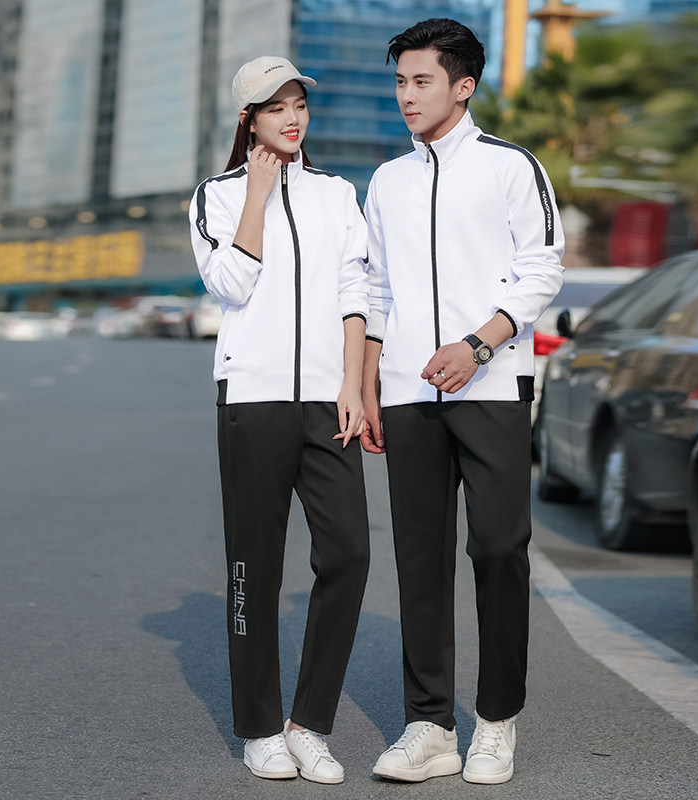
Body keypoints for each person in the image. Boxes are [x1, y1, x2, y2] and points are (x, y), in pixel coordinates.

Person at [361, 19, 564, 785]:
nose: (407, 96)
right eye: (400, 82)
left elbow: (542, 270)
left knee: (500, 549)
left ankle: (498, 722)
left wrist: (479, 345)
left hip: (493, 385)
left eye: (421, 81)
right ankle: (430, 725)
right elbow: (376, 289)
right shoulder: (388, 181)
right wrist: (369, 383)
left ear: (463, 85)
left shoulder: (511, 167)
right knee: (419, 558)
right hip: (407, 392)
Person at [189, 56, 370, 785]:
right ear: (249, 119)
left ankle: (309, 724)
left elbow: (356, 289)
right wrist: (258, 196)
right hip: (253, 399)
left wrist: (354, 383)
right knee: (253, 566)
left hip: (328, 400)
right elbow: (231, 284)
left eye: (299, 103)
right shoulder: (215, 196)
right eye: (276, 107)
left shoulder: (337, 193)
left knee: (349, 555)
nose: (293, 117)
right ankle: (260, 728)